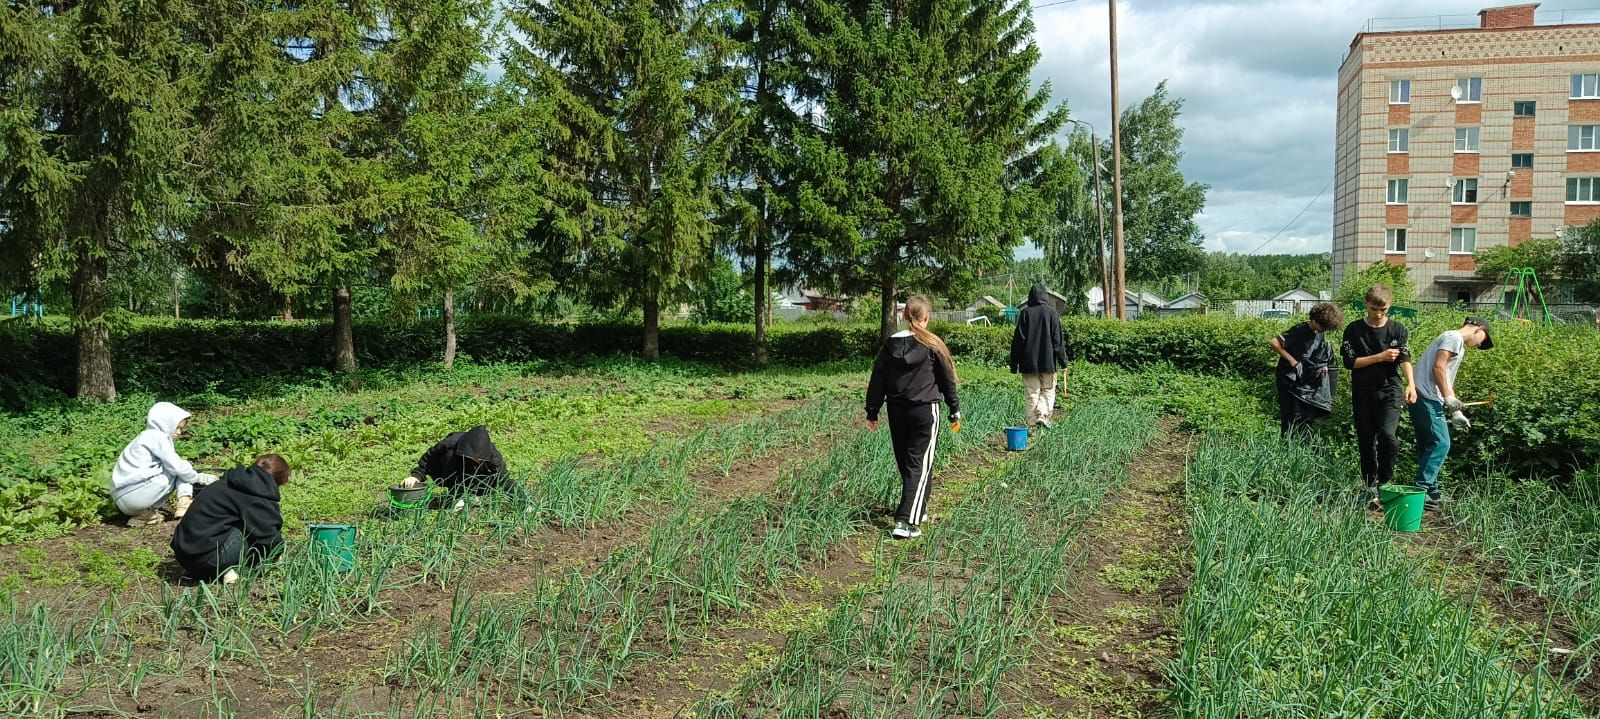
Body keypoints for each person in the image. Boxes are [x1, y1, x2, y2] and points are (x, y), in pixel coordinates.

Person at [866, 295, 960, 540]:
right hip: (924, 411)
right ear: (925, 318)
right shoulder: (931, 344)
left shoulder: (890, 345)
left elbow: (878, 379)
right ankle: (906, 521)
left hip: (896, 411)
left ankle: (919, 508)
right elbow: (946, 380)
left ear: (904, 317)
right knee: (919, 464)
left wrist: (873, 410)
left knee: (909, 464)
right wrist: (954, 408)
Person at [1340, 286, 1417, 509]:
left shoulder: (1397, 329)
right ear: (1366, 304)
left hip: (1390, 389)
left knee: (1387, 435)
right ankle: (1369, 484)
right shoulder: (1354, 330)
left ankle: (1385, 481)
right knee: (1366, 440)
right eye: (1374, 309)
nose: (1378, 313)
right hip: (1363, 391)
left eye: (1383, 309)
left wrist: (1411, 384)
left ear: (1389, 306)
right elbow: (1350, 363)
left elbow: (1404, 358)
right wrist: (1380, 357)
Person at [1410, 317, 1494, 510]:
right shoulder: (1453, 337)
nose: (1480, 344)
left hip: (1426, 397)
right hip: (1426, 396)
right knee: (1441, 443)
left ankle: (1433, 492)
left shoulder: (1456, 342)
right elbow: (1438, 368)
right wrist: (1448, 399)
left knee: (1428, 444)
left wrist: (1455, 412)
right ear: (1478, 329)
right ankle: (1420, 491)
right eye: (1483, 339)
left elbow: (1446, 378)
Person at [170, 454, 290, 584]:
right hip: (208, 560)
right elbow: (268, 534)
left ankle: (221, 570)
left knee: (239, 521)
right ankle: (228, 568)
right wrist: (277, 554)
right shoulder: (254, 495)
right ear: (278, 480)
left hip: (184, 557)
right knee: (250, 528)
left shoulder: (230, 483)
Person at [111, 402, 217, 527]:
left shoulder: (143, 437)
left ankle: (143, 515)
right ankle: (185, 503)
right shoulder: (159, 437)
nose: (179, 433)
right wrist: (200, 478)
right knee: (182, 468)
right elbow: (177, 467)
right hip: (138, 494)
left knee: (176, 468)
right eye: (177, 427)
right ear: (166, 423)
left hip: (122, 498)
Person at [1268, 303, 1345, 436]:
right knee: (1291, 415)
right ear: (1315, 320)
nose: (1324, 330)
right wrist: (1292, 361)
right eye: (1323, 327)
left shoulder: (1319, 332)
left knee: (1306, 416)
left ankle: (1302, 446)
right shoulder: (1300, 330)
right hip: (1288, 378)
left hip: (1304, 379)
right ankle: (1287, 445)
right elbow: (1274, 342)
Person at [401, 426, 512, 510]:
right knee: (450, 456)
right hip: (450, 472)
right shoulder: (451, 443)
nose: (475, 461)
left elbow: (506, 480)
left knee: (493, 476)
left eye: (478, 460)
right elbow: (429, 457)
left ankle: (468, 494)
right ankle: (456, 495)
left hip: (477, 482)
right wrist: (416, 476)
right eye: (472, 458)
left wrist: (522, 502)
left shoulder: (492, 456)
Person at [1010, 283, 1067, 429]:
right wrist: (1063, 362)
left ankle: (1031, 425)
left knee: (1032, 393)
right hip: (1048, 363)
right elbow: (1058, 341)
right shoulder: (1052, 313)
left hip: (1028, 363)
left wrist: (1013, 364)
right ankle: (1042, 415)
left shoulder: (1025, 313)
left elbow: (1018, 341)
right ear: (1045, 297)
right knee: (1048, 390)